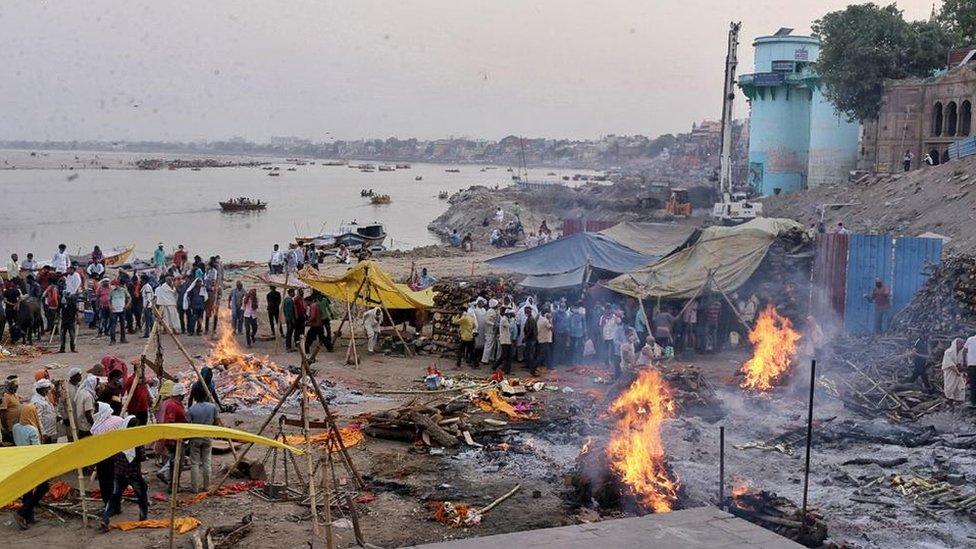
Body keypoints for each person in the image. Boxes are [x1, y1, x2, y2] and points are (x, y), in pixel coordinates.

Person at [101, 416, 148, 530]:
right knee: (141, 495)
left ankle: (106, 518)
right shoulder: (137, 441)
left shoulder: (118, 439)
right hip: (133, 474)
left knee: (114, 496)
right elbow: (141, 457)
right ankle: (143, 517)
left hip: (119, 473)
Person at [12, 405, 49, 530]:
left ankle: (28, 516)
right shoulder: (32, 430)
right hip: (34, 462)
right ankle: (22, 512)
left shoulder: (15, 427)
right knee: (44, 487)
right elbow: (36, 449)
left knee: (27, 490)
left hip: (22, 461)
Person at [187, 383, 221, 493]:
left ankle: (194, 488)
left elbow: (187, 424)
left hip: (195, 437)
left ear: (195, 397)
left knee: (194, 463)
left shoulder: (191, 409)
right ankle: (206, 486)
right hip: (208, 436)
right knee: (207, 462)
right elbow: (217, 421)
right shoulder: (212, 407)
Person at [91, 402, 121, 508]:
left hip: (104, 457)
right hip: (117, 456)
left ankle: (109, 504)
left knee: (105, 483)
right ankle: (116, 505)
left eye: (95, 410)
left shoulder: (99, 426)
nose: (93, 413)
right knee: (114, 481)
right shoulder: (118, 420)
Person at [157, 383, 187, 484]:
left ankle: (169, 477)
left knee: (175, 460)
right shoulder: (172, 405)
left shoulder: (175, 404)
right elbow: (171, 423)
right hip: (174, 439)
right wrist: (172, 439)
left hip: (177, 437)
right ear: (179, 395)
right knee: (177, 462)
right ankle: (172, 483)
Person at [30, 379, 58, 443]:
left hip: (51, 430)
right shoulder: (37, 401)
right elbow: (38, 419)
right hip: (46, 433)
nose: (48, 391)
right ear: (40, 390)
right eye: (46, 389)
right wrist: (43, 433)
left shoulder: (44, 397)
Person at [942, 338, 967, 404]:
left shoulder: (962, 354)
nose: (962, 345)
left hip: (959, 374)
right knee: (950, 387)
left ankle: (959, 402)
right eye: (960, 343)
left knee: (960, 387)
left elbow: (962, 363)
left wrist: (962, 369)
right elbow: (949, 363)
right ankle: (949, 401)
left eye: (963, 344)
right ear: (956, 344)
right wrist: (956, 371)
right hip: (951, 373)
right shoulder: (948, 352)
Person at [108, 280, 131, 345]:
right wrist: (110, 307)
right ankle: (112, 340)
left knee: (122, 325)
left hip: (122, 310)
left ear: (117, 285)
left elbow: (129, 298)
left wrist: (127, 305)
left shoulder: (123, 290)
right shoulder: (111, 292)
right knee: (113, 325)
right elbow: (109, 300)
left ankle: (123, 339)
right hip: (114, 311)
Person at [1, 375, 22, 444]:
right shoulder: (5, 395)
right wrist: (5, 429)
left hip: (17, 425)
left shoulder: (14, 393)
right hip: (10, 428)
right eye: (15, 386)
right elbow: (2, 414)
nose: (17, 387)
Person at [497, 308, 516, 374]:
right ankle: (496, 366)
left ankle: (507, 370)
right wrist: (513, 320)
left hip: (507, 340)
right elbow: (510, 327)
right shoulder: (504, 320)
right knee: (505, 355)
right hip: (504, 340)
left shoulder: (506, 319)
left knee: (508, 356)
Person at [481, 299, 499, 366]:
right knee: (488, 345)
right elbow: (486, 320)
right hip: (489, 331)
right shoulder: (490, 311)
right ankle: (484, 360)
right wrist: (493, 324)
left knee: (492, 346)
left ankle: (490, 358)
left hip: (492, 331)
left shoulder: (494, 311)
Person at [522, 305, 539, 375]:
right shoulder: (529, 318)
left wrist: (525, 337)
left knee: (530, 354)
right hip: (529, 338)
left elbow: (531, 330)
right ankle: (528, 365)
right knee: (527, 353)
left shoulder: (531, 319)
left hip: (531, 339)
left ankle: (531, 368)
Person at [964, 332, 976, 408]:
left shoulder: (970, 339)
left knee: (973, 383)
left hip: (971, 365)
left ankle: (973, 402)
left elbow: (964, 350)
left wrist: (964, 361)